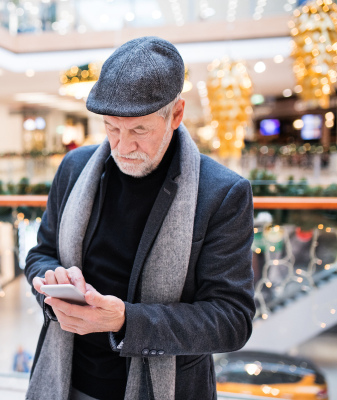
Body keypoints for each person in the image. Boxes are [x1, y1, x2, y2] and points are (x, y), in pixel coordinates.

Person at [25, 36, 255, 400]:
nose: (122, 146)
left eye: (139, 130)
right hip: (66, 381)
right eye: (111, 128)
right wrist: (51, 283)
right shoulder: (74, 167)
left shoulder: (222, 193)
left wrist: (126, 321)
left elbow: (232, 320)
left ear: (176, 115)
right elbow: (41, 253)